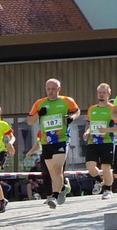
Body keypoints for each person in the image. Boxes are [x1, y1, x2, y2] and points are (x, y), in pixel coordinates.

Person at [29, 79, 80, 208]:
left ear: (59, 89)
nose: (51, 91)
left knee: (57, 168)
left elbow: (77, 111)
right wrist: (39, 114)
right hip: (46, 142)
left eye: (53, 89)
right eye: (48, 89)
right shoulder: (40, 103)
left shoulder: (66, 101)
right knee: (52, 172)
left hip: (62, 139)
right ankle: (62, 188)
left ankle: (55, 196)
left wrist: (71, 118)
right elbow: (30, 121)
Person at [84, 84, 117, 198]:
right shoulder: (92, 109)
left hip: (107, 141)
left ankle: (108, 190)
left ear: (109, 94)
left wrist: (106, 129)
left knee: (106, 167)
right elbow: (89, 124)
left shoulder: (112, 109)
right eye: (99, 92)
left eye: (104, 92)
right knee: (90, 165)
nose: (101, 94)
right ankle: (100, 181)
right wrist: (87, 132)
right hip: (93, 142)